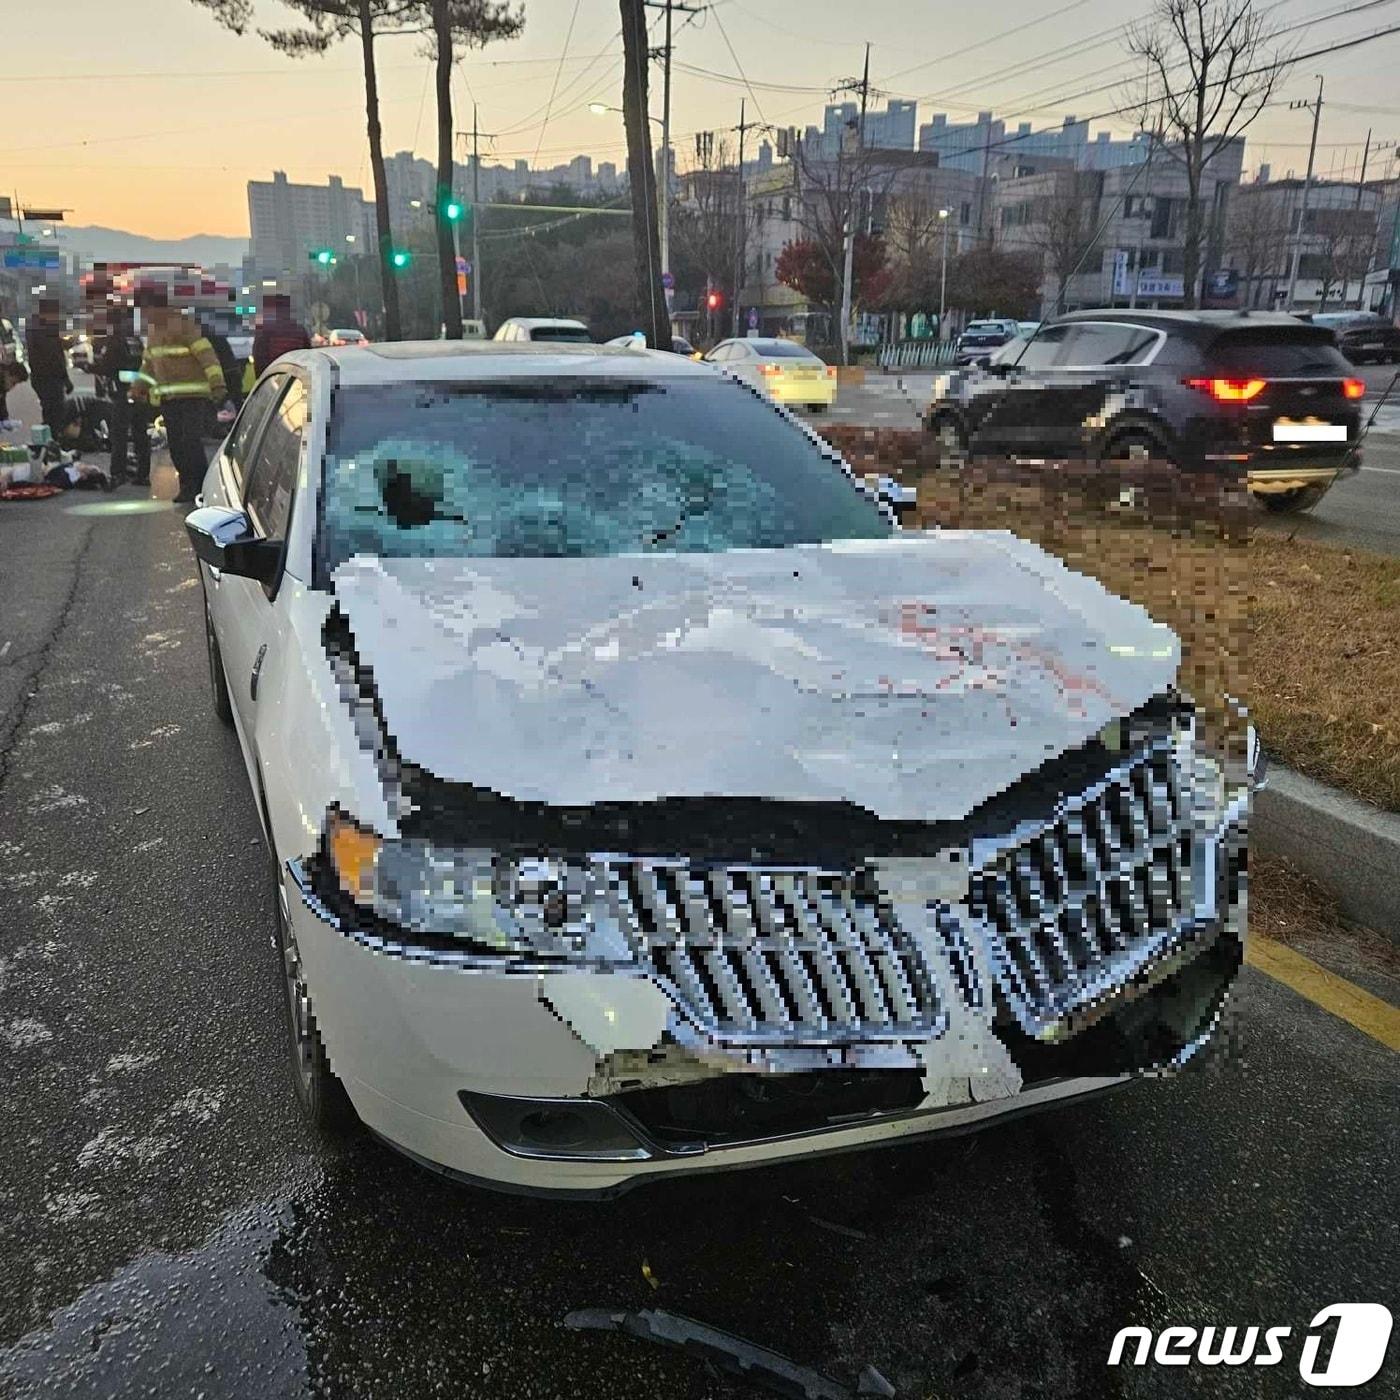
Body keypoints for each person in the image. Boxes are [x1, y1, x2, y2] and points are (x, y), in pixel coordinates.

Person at [128, 288, 226, 504]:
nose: (144, 315)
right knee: (176, 445)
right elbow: (148, 364)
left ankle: (200, 486)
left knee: (189, 441)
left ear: (160, 307)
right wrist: (138, 387)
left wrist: (217, 384)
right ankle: (187, 485)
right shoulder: (154, 333)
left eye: (146, 309)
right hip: (169, 398)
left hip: (193, 396)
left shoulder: (184, 326)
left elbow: (206, 355)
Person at [94, 301, 150, 485]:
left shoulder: (116, 340)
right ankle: (143, 475)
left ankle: (118, 473)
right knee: (141, 434)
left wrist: (92, 367)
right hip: (140, 392)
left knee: (119, 435)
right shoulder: (136, 340)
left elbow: (109, 366)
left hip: (123, 393)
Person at [24, 298, 72, 434]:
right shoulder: (46, 328)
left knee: (49, 411)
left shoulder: (34, 326)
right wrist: (65, 379)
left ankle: (49, 442)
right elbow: (54, 356)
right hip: (50, 378)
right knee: (56, 413)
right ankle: (53, 443)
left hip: (39, 377)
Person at [251, 294, 311, 377]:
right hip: (296, 376)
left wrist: (261, 381)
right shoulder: (299, 329)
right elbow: (308, 354)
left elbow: (259, 358)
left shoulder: (265, 329)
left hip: (274, 376)